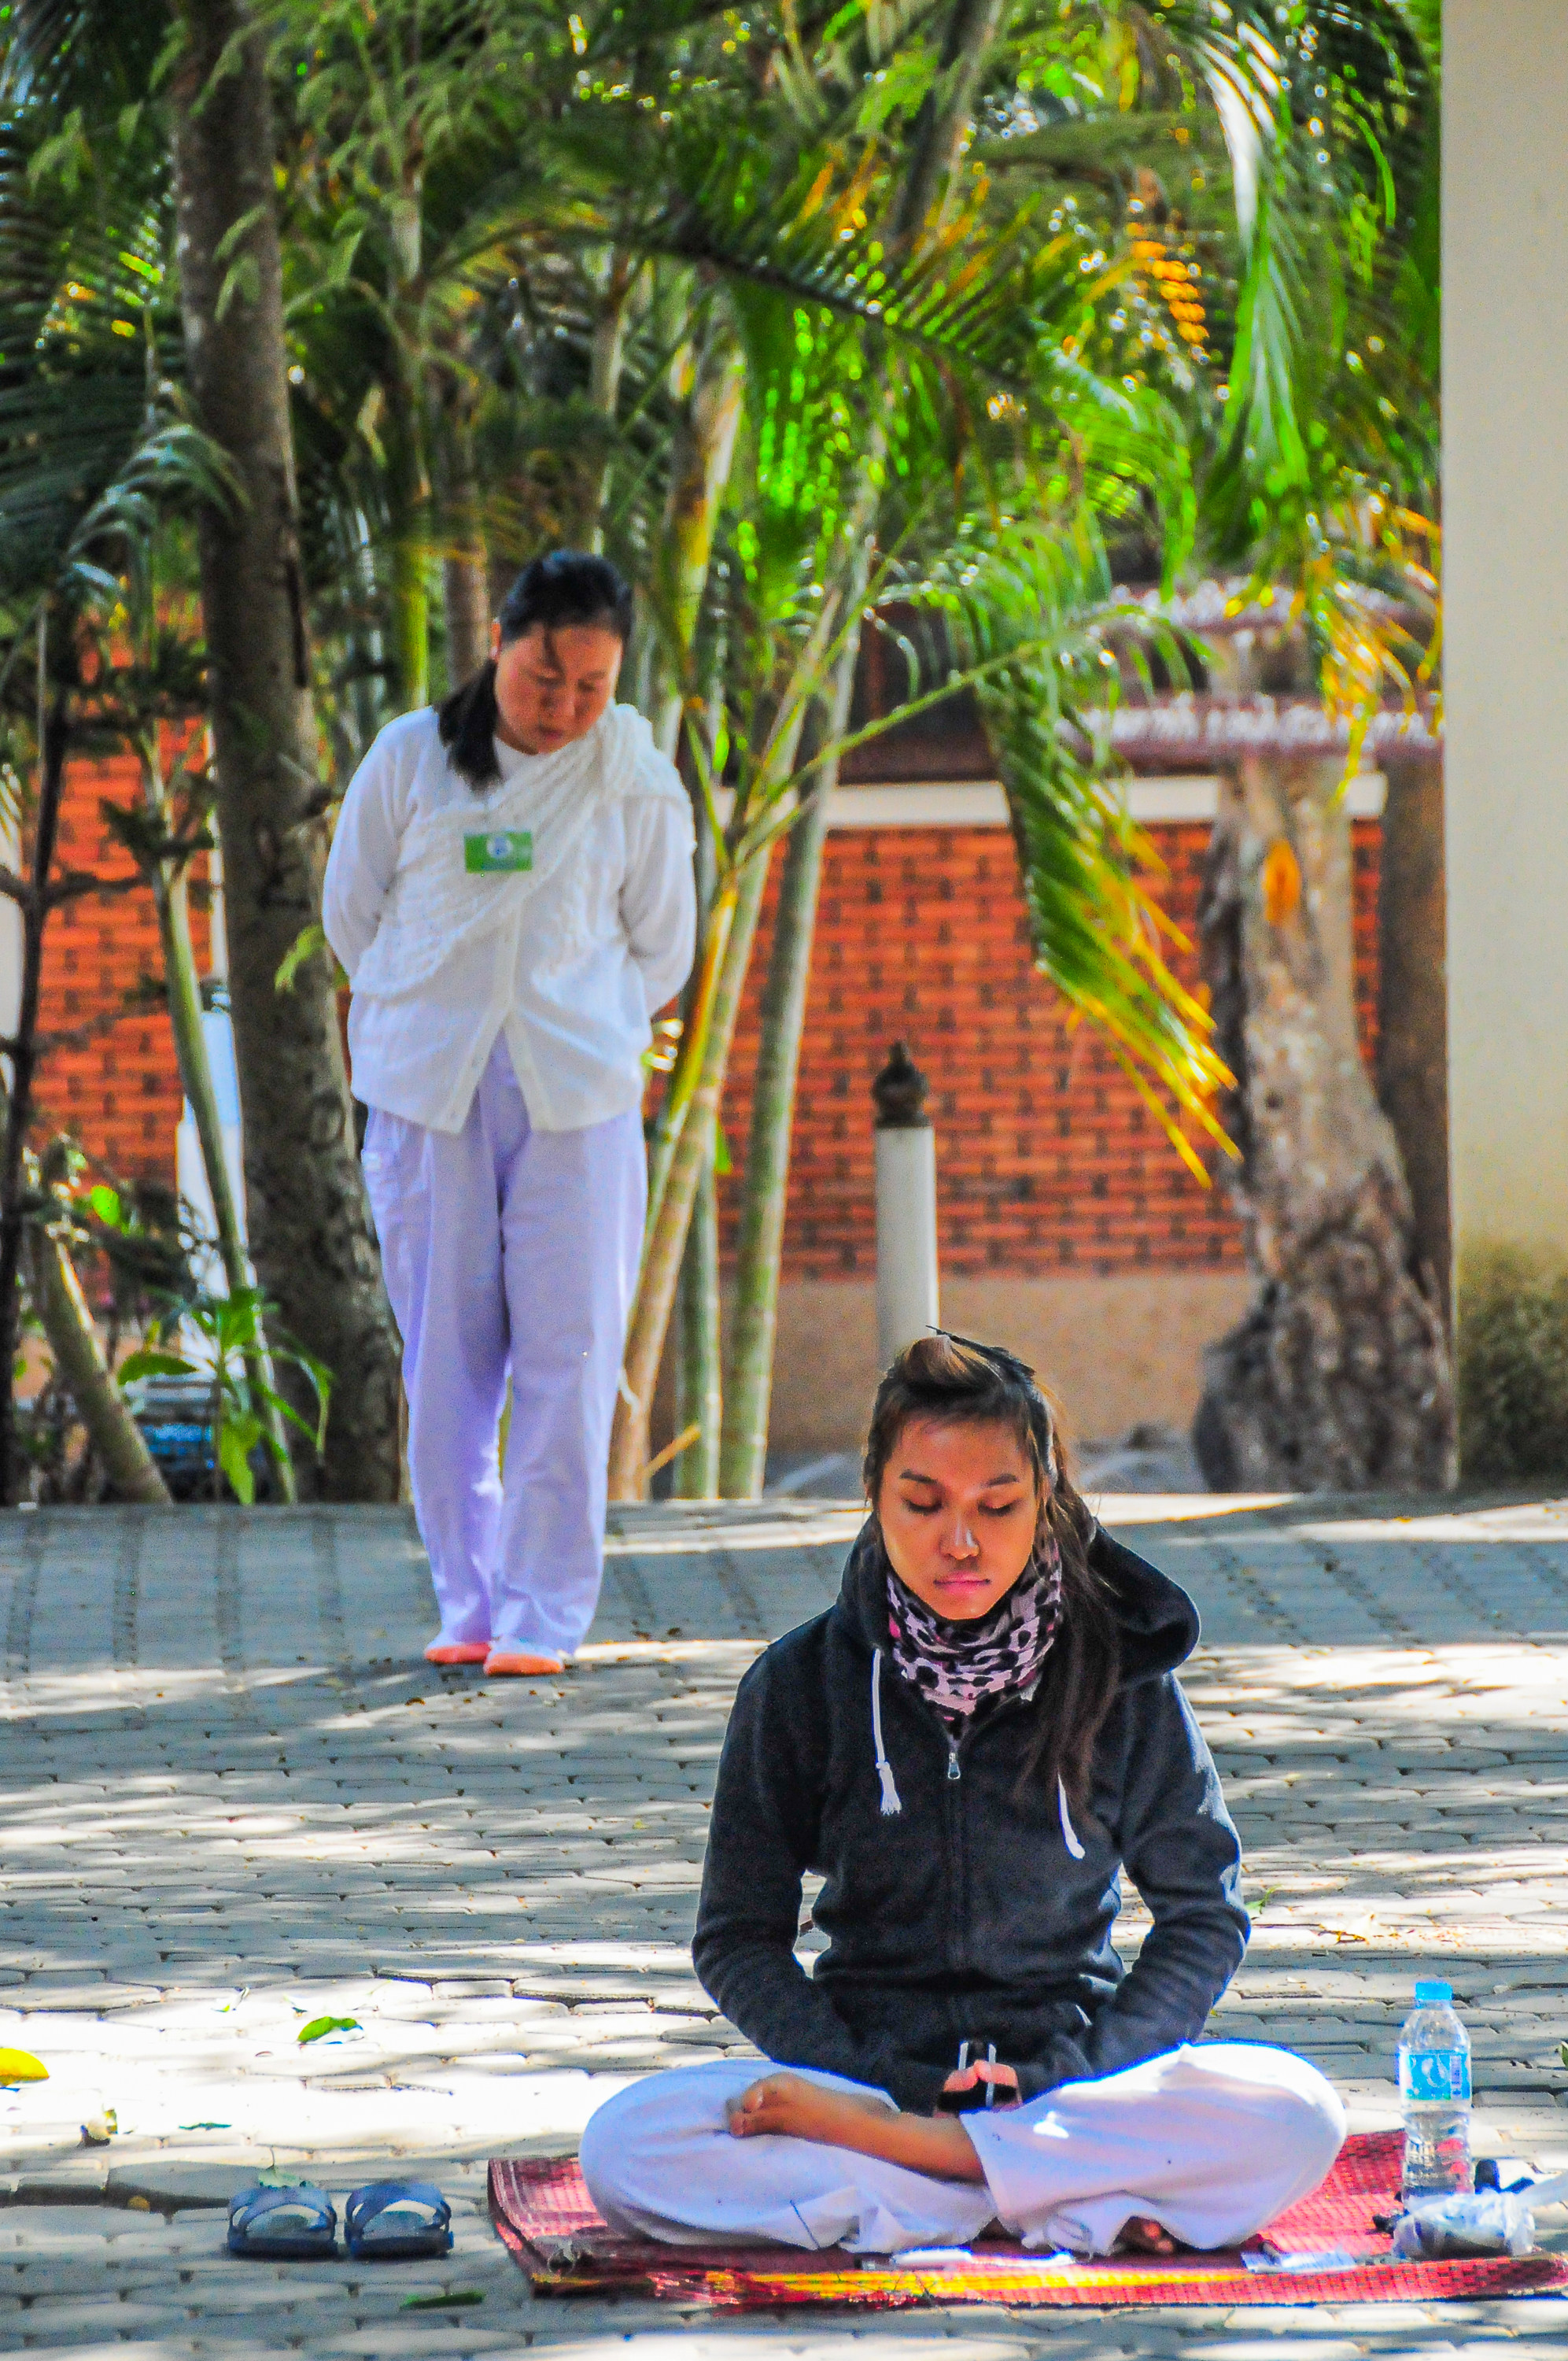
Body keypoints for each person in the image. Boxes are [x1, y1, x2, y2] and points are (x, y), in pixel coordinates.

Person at [580, 1334, 1345, 2257]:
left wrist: (1078, 2071)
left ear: (1046, 1500)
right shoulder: (795, 1685)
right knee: (625, 2146)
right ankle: (1038, 2195)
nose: (961, 1542)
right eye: (922, 1502)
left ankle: (930, 2180)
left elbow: (1203, 1918)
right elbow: (737, 1938)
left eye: (998, 1505)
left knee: (1298, 2112)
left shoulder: (1119, 1679)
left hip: (1068, 2087)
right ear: (873, 1496)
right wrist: (867, 2079)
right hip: (867, 2082)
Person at [323, 552, 695, 1677]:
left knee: (569, 1355)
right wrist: (432, 1010)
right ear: (499, 641)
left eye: (591, 684)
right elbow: (354, 916)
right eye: (545, 676)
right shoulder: (409, 760)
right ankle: (467, 1603)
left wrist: (579, 1018)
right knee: (445, 1356)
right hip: (429, 1094)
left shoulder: (633, 775)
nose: (564, 706)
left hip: (575, 1100)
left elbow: (663, 943)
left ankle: (543, 1618)